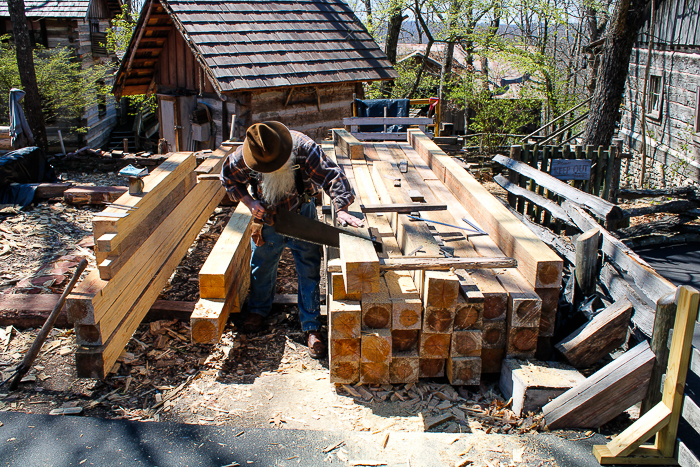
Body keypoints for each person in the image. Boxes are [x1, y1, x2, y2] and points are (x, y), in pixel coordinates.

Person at [220, 121, 364, 358]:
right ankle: (258, 310)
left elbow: (333, 175)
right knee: (261, 265)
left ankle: (311, 325)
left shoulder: (304, 148)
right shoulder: (245, 156)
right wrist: (249, 202)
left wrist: (341, 208)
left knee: (308, 268)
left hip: (301, 214)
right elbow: (227, 179)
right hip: (267, 217)